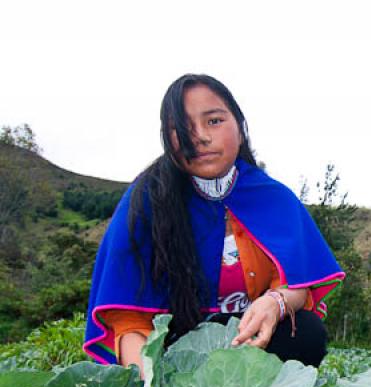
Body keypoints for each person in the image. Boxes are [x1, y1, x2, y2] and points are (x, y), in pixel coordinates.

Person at [84, 74, 344, 370]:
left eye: (214, 121)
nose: (200, 137)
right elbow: (128, 318)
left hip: (248, 341)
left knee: (305, 333)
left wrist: (275, 302)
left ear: (240, 128)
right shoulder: (145, 202)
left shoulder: (273, 197)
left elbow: (297, 283)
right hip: (175, 349)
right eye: (182, 127)